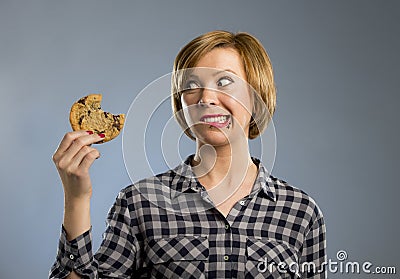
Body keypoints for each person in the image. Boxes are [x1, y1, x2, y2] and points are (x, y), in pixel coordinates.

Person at [50, 30, 326, 278]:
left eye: (225, 81)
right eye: (192, 84)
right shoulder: (139, 203)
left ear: (256, 97)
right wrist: (76, 199)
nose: (206, 97)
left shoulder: (301, 212)